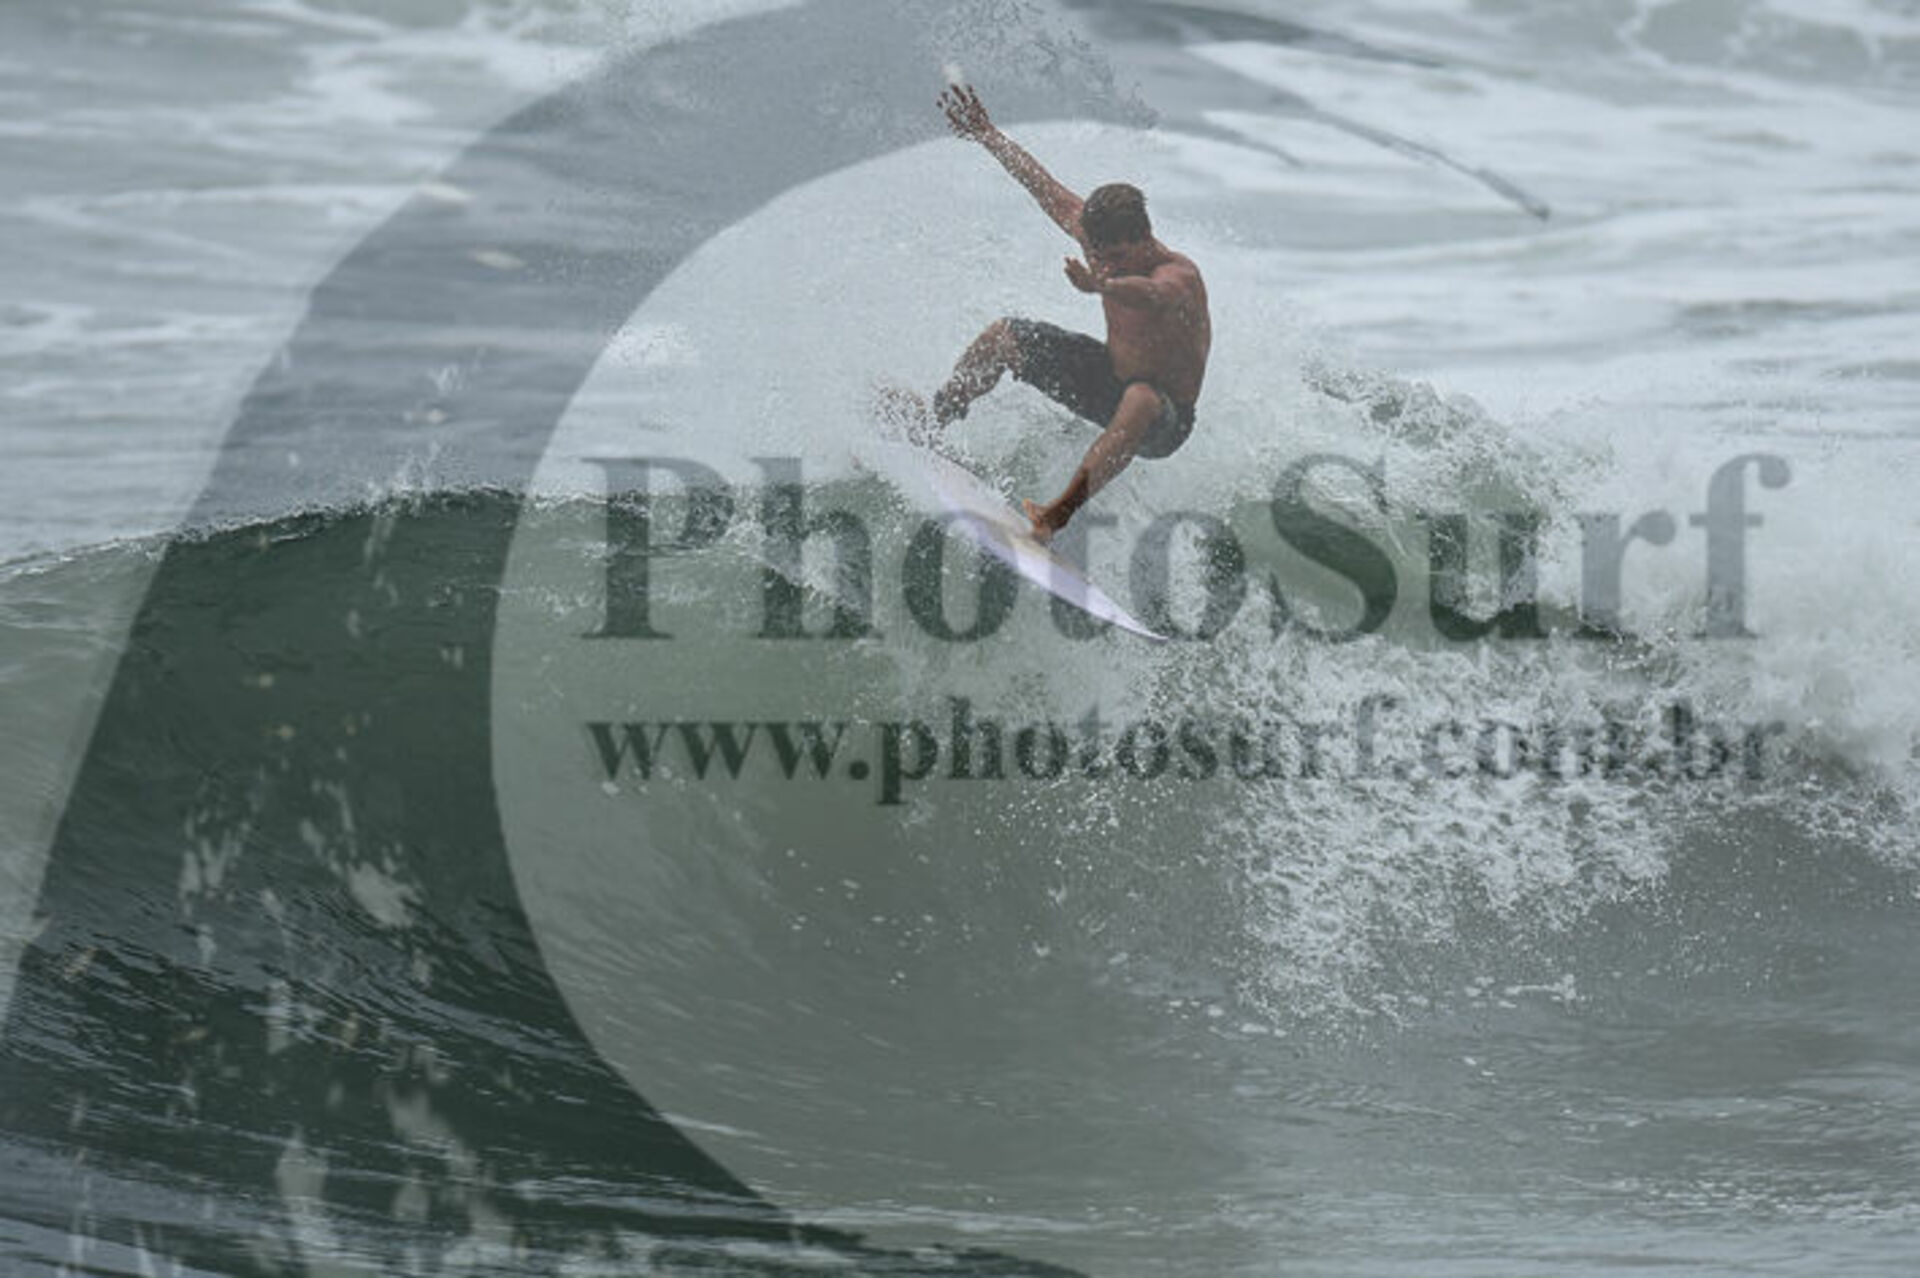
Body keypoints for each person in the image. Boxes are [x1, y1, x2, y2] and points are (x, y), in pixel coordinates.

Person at [918, 83, 1211, 543]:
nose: (1106, 263)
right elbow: (1046, 189)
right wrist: (988, 135)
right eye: (1100, 256)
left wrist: (1103, 285)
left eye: (1117, 256)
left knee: (1141, 397)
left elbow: (1153, 295)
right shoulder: (1098, 243)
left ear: (1143, 238)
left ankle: (1054, 516)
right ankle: (931, 424)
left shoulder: (1178, 275)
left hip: (1164, 421)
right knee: (1003, 336)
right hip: (1110, 381)